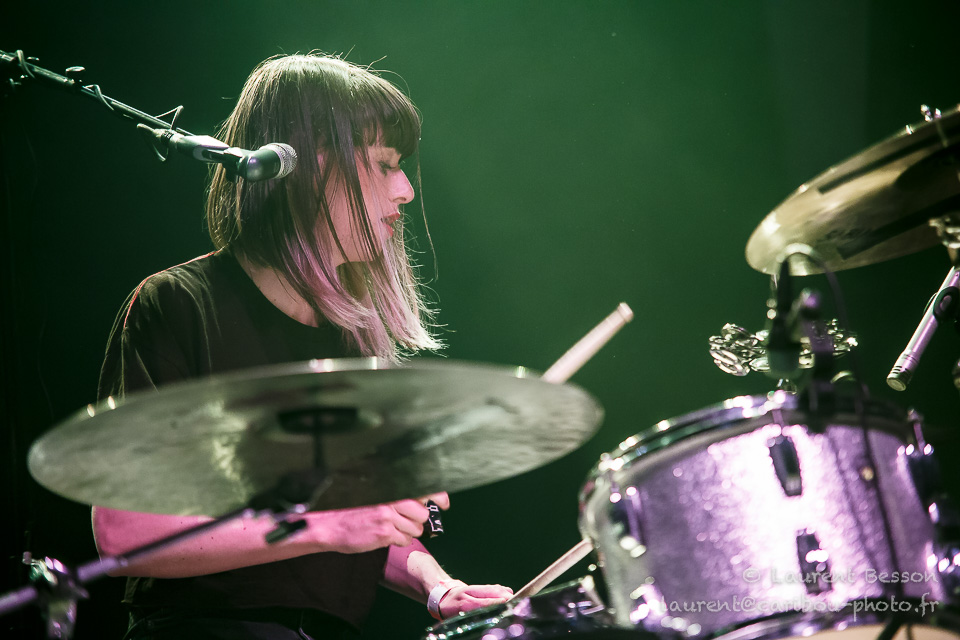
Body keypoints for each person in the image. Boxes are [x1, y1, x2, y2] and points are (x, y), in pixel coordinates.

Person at [91, 53, 513, 640]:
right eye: (385, 164)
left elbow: (358, 528)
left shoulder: (351, 340)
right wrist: (327, 522)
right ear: (313, 163)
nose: (406, 190)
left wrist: (435, 584)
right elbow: (125, 533)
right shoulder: (180, 304)